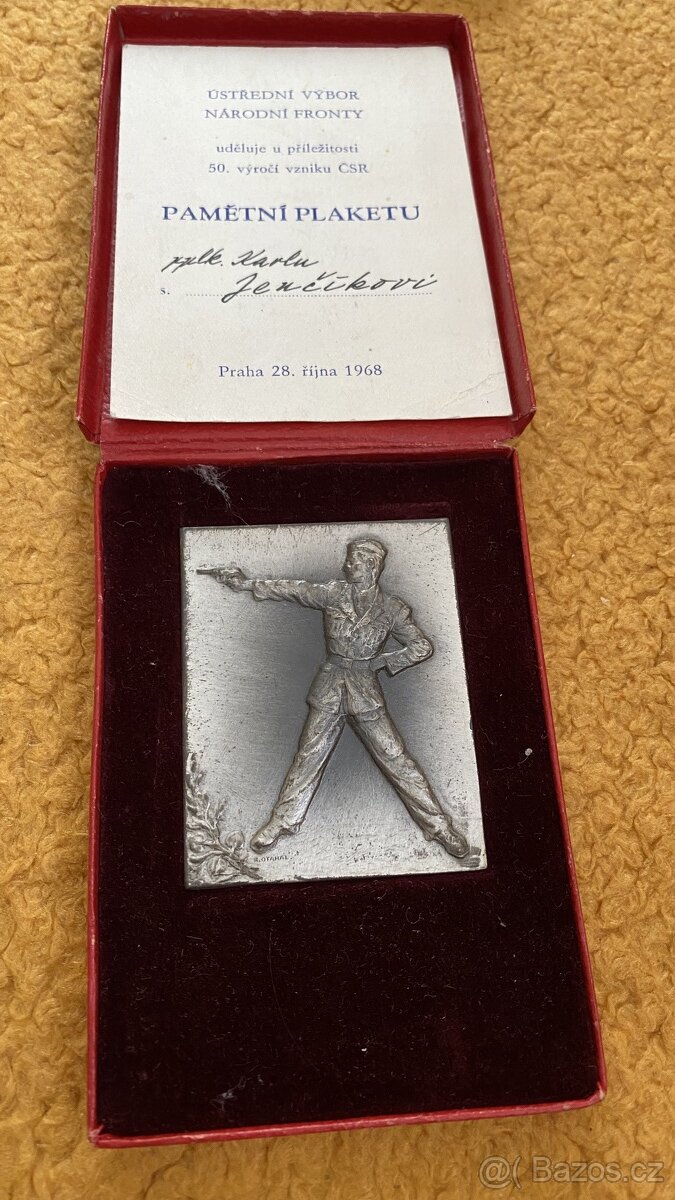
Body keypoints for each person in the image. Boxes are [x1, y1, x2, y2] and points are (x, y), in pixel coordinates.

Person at [212, 536, 468, 859]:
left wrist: (386, 661)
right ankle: (282, 822)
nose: (346, 566)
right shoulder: (334, 594)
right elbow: (294, 589)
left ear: (371, 566)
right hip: (330, 688)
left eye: (353, 561)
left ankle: (440, 827)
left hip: (366, 692)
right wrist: (247, 584)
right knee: (308, 755)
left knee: (396, 759)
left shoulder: (392, 608)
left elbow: (422, 646)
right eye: (348, 560)